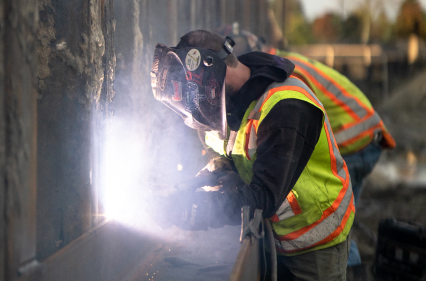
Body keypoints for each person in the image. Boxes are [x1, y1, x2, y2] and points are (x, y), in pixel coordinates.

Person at [150, 30, 354, 280]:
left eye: (196, 95)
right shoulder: (231, 105)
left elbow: (264, 197)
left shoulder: (286, 107)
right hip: (272, 233)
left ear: (212, 73)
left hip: (314, 240)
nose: (196, 105)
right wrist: (218, 170)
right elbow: (245, 154)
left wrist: (192, 210)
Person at [217, 26, 396, 267]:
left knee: (328, 220)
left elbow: (297, 125)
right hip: (360, 125)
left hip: (355, 134)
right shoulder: (279, 64)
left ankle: (345, 266)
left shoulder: (285, 77)